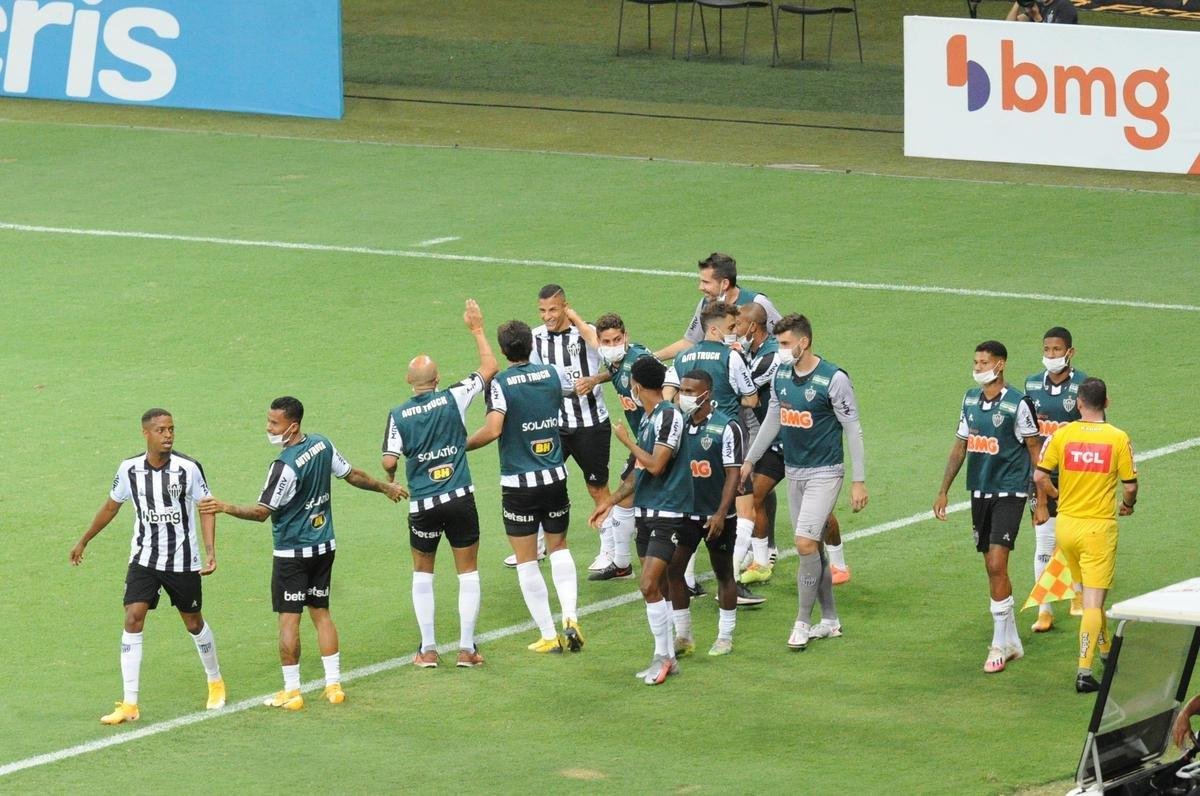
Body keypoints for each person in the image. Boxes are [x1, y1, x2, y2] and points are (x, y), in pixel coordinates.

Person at [200, 397, 407, 710]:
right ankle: (334, 685)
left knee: (288, 620)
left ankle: (292, 690)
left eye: (274, 424)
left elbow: (261, 512)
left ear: (292, 426)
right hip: (325, 546)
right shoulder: (322, 445)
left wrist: (224, 506)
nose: (268, 428)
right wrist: (384, 487)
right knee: (321, 613)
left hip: (292, 554)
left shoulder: (284, 466)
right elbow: (352, 475)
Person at [70, 409, 224, 725]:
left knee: (193, 622)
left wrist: (210, 550)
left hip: (182, 560)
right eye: (161, 430)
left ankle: (215, 680)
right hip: (144, 559)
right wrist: (85, 539)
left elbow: (207, 507)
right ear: (146, 434)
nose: (168, 435)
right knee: (133, 617)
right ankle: (130, 703)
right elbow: (112, 506)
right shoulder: (129, 470)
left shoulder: (188, 468)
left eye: (171, 429)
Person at [382, 300, 498, 669]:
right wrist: (477, 329)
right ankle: (467, 648)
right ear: (436, 378)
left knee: (423, 573)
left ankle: (428, 649)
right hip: (460, 496)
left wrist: (391, 479)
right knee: (468, 572)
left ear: (408, 382)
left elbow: (388, 460)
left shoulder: (398, 415)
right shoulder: (453, 395)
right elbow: (490, 368)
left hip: (423, 505)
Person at [742, 314, 869, 650]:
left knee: (802, 543)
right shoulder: (782, 374)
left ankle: (801, 622)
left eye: (785, 344)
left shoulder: (833, 379)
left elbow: (852, 428)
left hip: (825, 472)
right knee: (812, 547)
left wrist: (858, 480)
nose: (780, 350)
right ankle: (830, 620)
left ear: (804, 342)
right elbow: (773, 418)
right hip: (795, 470)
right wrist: (751, 460)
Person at [466, 320, 584, 654]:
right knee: (559, 546)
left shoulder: (501, 383)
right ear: (531, 345)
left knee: (527, 559)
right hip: (555, 478)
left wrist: (462, 446)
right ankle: (571, 618)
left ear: (504, 350)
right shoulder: (551, 374)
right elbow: (574, 387)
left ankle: (549, 635)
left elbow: (492, 430)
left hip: (519, 484)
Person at [934, 341, 1041, 674]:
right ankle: (1011, 642)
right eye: (976, 362)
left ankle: (998, 644)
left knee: (997, 563)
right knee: (993, 568)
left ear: (1001, 364)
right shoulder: (969, 400)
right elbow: (959, 448)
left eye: (984, 362)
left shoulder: (1017, 403)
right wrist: (943, 491)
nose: (978, 367)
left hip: (1010, 491)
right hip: (979, 491)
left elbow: (1036, 452)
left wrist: (1040, 499)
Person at [590, 357, 691, 684]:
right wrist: (609, 502)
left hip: (669, 514)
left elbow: (657, 465)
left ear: (636, 385)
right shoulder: (649, 420)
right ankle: (668, 658)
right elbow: (637, 474)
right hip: (646, 513)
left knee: (647, 584)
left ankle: (662, 657)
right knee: (657, 586)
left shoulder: (669, 416)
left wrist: (628, 442)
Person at [1033, 377, 1138, 693]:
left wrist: (1056, 494)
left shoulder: (1062, 435)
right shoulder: (1117, 438)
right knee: (1093, 602)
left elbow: (1039, 476)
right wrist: (1127, 505)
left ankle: (1107, 654)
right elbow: (1130, 485)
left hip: (1066, 527)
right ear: (1107, 403)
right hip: (1097, 529)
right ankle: (1084, 671)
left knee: (1093, 594)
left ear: (1079, 404)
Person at [522, 284, 615, 574]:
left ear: (565, 306)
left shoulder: (586, 332)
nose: (547, 316)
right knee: (541, 482)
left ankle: (610, 551)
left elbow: (617, 365)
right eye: (542, 310)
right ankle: (534, 547)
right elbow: (533, 376)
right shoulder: (535, 338)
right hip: (555, 426)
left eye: (552, 309)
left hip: (590, 425)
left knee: (597, 487)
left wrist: (595, 380)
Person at [575, 312, 655, 581]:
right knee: (628, 497)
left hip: (657, 441)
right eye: (606, 341)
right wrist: (571, 314)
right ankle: (621, 563)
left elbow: (666, 396)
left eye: (617, 339)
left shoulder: (640, 363)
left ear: (626, 337)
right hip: (643, 441)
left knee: (663, 507)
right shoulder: (615, 359)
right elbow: (593, 340)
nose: (612, 344)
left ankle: (685, 579)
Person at [673, 370, 744, 657]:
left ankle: (725, 637)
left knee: (723, 573)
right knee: (673, 571)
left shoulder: (727, 427)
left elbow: (732, 475)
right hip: (685, 514)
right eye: (682, 390)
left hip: (718, 516)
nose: (685, 395)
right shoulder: (678, 425)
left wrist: (720, 512)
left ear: (708, 393)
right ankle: (683, 636)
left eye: (691, 391)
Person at [1025, 326, 1088, 631]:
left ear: (1070, 352)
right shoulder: (1032, 384)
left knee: (1073, 542)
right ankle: (1044, 610)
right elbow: (1028, 435)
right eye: (1047, 350)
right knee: (1044, 543)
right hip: (1041, 476)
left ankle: (1077, 595)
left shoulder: (1084, 386)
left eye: (1056, 350)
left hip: (1075, 479)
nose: (1051, 355)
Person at [654, 252, 782, 362]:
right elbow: (690, 342)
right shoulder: (706, 304)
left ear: (724, 283)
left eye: (706, 282)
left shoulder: (757, 303)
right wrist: (654, 357)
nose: (700, 287)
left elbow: (784, 337)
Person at [1007, 0, 1077, 23]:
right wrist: (1019, 2)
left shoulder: (1065, 6)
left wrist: (1037, 18)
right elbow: (1010, 24)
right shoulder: (1038, 6)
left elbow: (1058, 36)